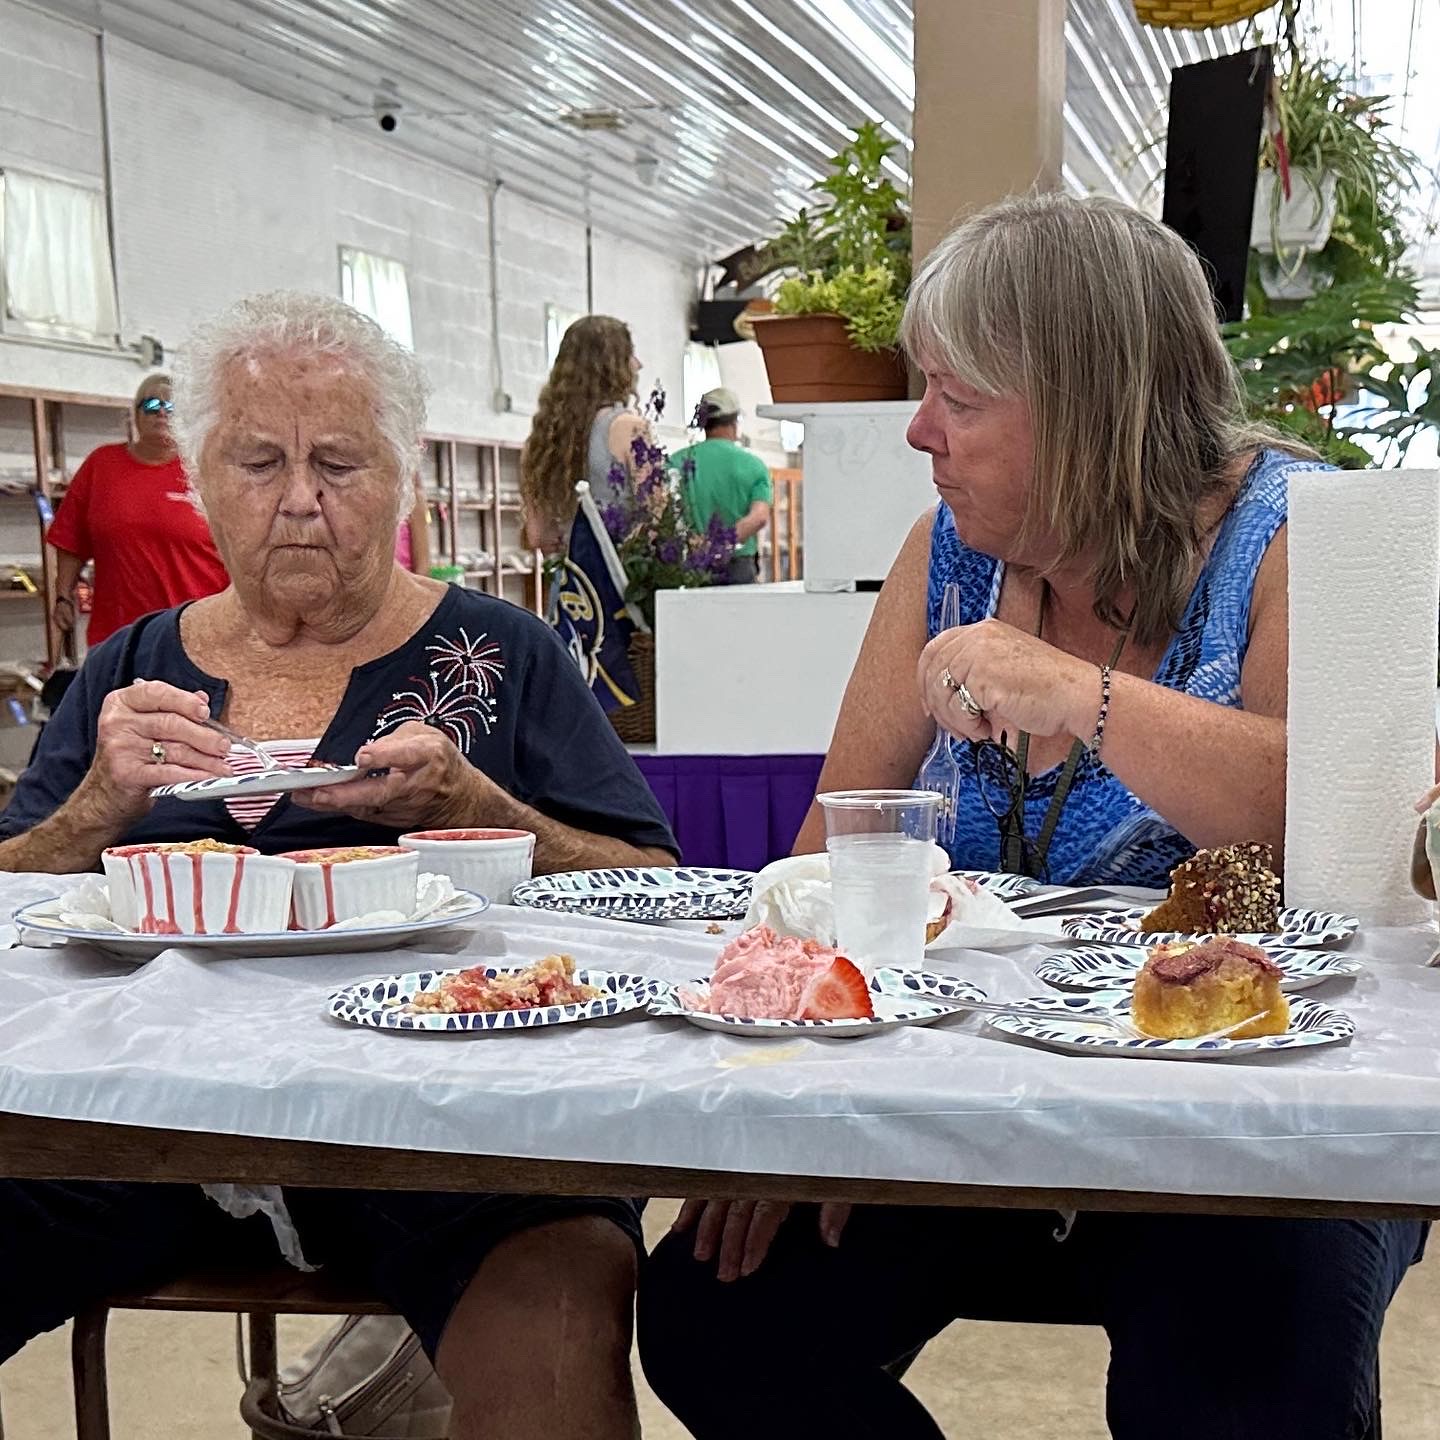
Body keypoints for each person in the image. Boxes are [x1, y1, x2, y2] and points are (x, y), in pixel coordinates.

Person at [639, 194, 1426, 1440]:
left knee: (1246, 1384)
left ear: (1088, 408)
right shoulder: (945, 550)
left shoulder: (1293, 533)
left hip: (1241, 1113)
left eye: (959, 396)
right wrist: (779, 1113)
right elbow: (830, 853)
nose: (918, 431)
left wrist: (1078, 693)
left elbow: (1328, 824)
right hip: (968, 1093)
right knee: (717, 1312)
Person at [0, 291, 679, 1440]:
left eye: (340, 463)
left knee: (556, 1314)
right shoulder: (129, 670)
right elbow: (18, 881)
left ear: (401, 479)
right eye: (261, 461)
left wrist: (478, 803)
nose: (301, 500)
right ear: (204, 482)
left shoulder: (500, 655)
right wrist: (97, 809)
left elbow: (654, 884)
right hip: (136, 1125)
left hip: (453, 1128)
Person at [47, 371, 229, 647]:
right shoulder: (101, 465)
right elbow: (70, 540)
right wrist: (63, 595)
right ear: (135, 414)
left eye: (171, 407)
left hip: (196, 636)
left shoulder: (206, 471)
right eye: (151, 405)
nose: (161, 413)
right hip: (118, 638)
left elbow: (241, 549)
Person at [520, 314, 646, 555]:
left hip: (572, 583)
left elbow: (537, 536)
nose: (638, 364)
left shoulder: (541, 440)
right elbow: (656, 515)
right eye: (630, 355)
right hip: (622, 580)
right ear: (612, 366)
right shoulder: (628, 427)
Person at [672, 386, 772, 584]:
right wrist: (721, 543)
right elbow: (759, 517)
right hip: (738, 568)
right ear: (734, 423)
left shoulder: (677, 462)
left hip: (691, 565)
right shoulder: (753, 465)